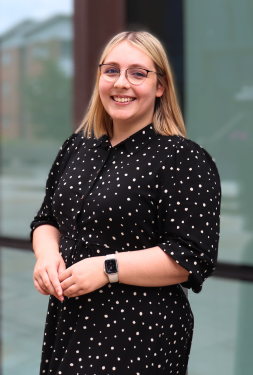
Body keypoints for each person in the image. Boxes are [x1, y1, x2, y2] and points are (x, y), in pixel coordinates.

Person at [31, 31, 221, 375]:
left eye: (138, 73)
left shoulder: (183, 158)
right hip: (68, 320)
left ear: (160, 86)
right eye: (112, 71)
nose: (122, 83)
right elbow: (46, 219)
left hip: (137, 333)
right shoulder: (77, 147)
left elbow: (191, 256)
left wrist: (107, 268)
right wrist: (46, 256)